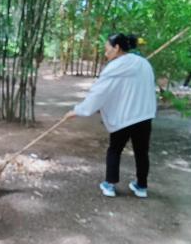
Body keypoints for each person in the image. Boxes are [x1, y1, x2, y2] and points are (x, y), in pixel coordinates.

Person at [65, 33, 157, 198]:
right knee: (142, 152)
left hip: (125, 117)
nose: (105, 53)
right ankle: (141, 187)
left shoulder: (115, 67)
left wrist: (79, 110)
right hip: (144, 116)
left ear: (117, 48)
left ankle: (109, 185)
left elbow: (98, 93)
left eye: (107, 49)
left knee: (115, 150)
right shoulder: (144, 63)